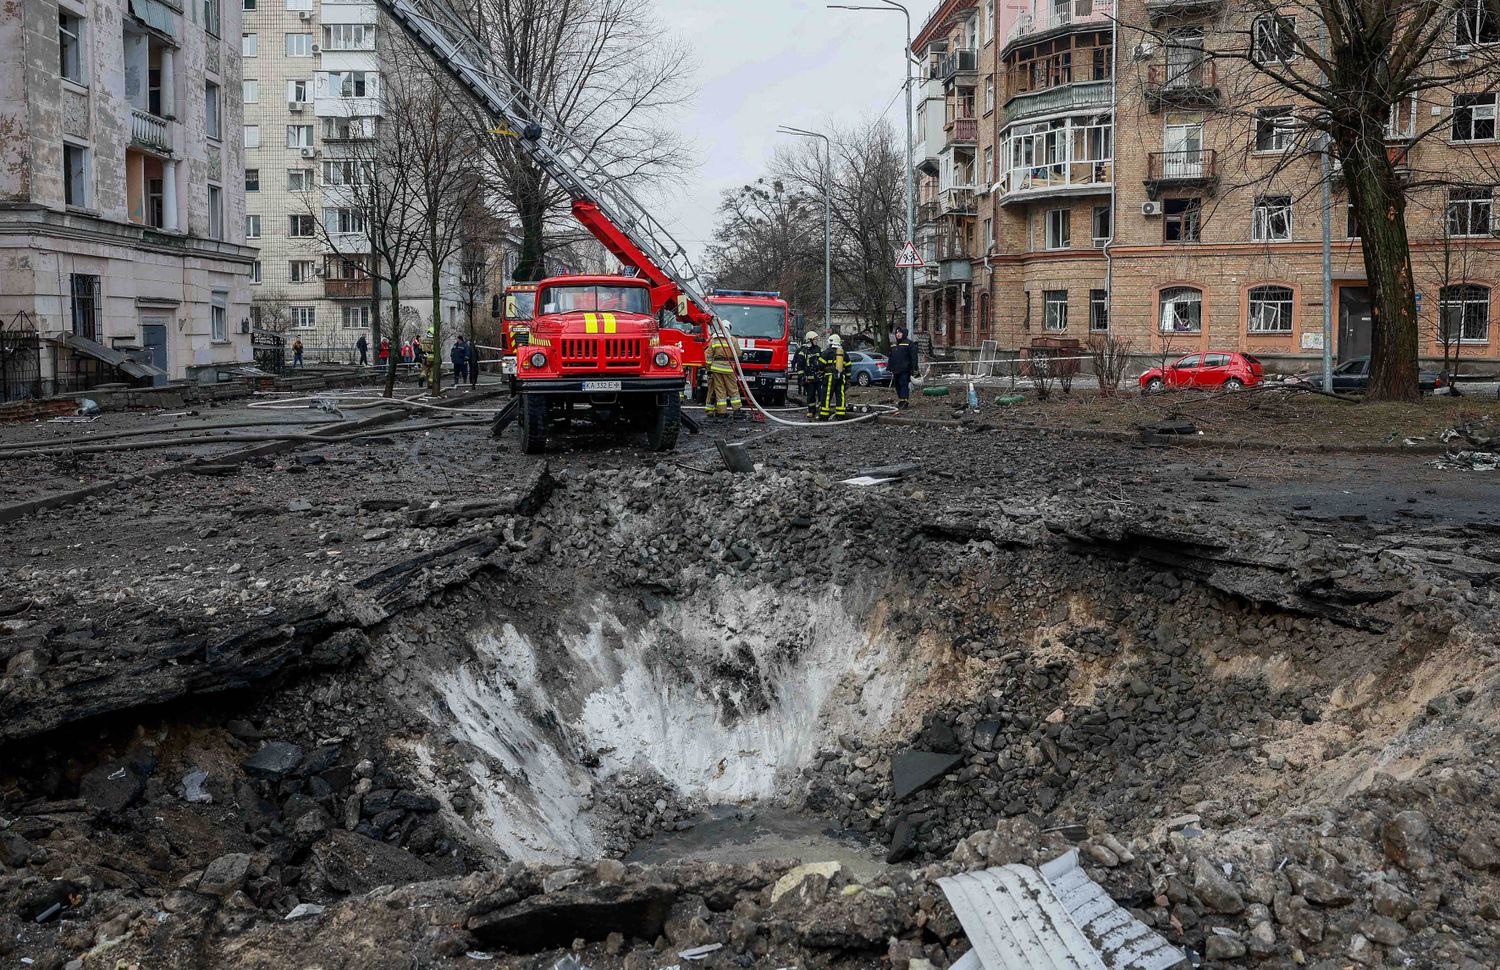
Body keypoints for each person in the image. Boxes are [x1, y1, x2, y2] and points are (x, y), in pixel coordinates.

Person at [704, 322, 743, 422]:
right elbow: (738, 353)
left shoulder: (714, 339)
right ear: (728, 328)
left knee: (719, 389)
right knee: (733, 389)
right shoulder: (732, 339)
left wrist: (709, 368)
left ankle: (722, 412)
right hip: (728, 368)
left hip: (716, 368)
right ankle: (737, 410)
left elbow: (708, 355)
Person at [817, 333, 849, 421]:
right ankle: (841, 415)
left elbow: (820, 365)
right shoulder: (843, 353)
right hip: (841, 377)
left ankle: (824, 415)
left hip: (830, 377)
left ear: (831, 342)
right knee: (840, 395)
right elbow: (849, 366)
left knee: (827, 395)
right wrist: (847, 378)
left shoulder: (827, 352)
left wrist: (822, 371)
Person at [887, 327, 919, 410]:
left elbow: (914, 357)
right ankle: (901, 400)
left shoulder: (909, 344)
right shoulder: (894, 345)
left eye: (900, 333)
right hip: (895, 369)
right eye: (897, 333)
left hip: (905, 369)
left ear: (904, 333)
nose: (898, 334)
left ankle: (905, 401)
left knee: (903, 384)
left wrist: (914, 368)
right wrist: (889, 367)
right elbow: (891, 357)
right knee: (897, 385)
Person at [793, 330, 822, 417]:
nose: (816, 341)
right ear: (809, 340)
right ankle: (811, 411)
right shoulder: (803, 352)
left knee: (821, 395)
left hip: (819, 378)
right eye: (814, 339)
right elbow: (800, 367)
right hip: (809, 379)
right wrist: (802, 377)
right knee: (810, 396)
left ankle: (822, 411)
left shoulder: (818, 349)